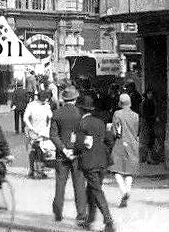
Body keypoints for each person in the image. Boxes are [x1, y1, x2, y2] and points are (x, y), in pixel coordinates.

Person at [72, 95, 116, 232]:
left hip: (89, 163)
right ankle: (89, 221)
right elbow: (109, 140)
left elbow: (78, 145)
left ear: (80, 109)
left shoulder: (80, 124)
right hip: (102, 162)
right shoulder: (100, 122)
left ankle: (108, 221)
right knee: (91, 191)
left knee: (96, 191)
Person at [50, 85, 88, 225]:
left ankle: (58, 213)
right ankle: (81, 214)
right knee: (79, 184)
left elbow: (53, 135)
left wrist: (64, 149)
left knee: (60, 184)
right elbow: (84, 134)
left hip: (61, 155)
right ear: (76, 99)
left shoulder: (57, 113)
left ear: (64, 99)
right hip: (77, 154)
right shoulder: (80, 114)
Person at [110, 93, 140, 208]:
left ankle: (124, 191)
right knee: (129, 170)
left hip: (120, 143)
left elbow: (115, 131)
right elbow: (136, 131)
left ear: (120, 103)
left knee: (117, 170)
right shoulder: (136, 115)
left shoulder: (117, 114)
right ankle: (127, 190)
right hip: (132, 144)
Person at [24, 90, 53, 179]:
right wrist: (31, 128)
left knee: (40, 151)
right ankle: (34, 170)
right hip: (35, 131)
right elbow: (25, 118)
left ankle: (37, 170)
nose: (46, 101)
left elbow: (50, 117)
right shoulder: (32, 105)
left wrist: (47, 128)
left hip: (40, 131)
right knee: (33, 151)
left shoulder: (45, 105)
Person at [140, 90, 158, 164]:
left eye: (151, 93)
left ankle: (145, 158)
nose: (150, 95)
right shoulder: (147, 102)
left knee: (147, 141)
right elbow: (145, 114)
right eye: (149, 93)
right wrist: (154, 117)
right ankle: (148, 158)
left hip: (147, 123)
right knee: (148, 141)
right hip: (148, 124)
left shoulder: (146, 102)